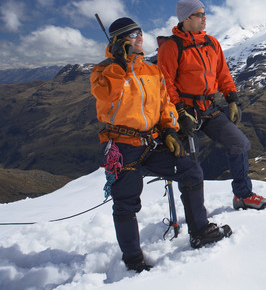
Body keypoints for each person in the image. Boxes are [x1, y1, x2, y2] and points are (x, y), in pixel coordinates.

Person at [90, 17, 231, 273]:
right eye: (132, 34)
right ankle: (133, 259)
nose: (140, 37)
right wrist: (120, 63)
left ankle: (200, 230)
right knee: (126, 201)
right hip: (122, 147)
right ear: (118, 41)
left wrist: (168, 129)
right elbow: (107, 94)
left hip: (152, 142)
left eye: (140, 32)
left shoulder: (151, 70)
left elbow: (165, 103)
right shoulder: (103, 71)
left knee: (191, 171)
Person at [158, 0, 266, 210]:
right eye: (200, 14)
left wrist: (232, 98)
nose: (204, 18)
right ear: (186, 18)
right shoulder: (172, 47)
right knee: (190, 164)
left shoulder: (211, 43)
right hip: (185, 112)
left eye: (204, 14)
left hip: (208, 109)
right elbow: (166, 83)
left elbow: (222, 73)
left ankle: (242, 195)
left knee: (239, 143)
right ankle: (196, 213)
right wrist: (180, 111)